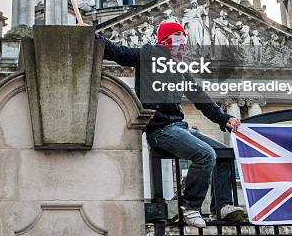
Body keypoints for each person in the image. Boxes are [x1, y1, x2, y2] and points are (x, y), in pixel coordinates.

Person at [97, 21, 245, 228]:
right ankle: (190, 207)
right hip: (159, 130)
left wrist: (223, 118)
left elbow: (199, 97)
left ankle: (222, 205)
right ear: (165, 41)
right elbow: (117, 52)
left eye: (184, 40)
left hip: (178, 126)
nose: (183, 45)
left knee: (224, 154)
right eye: (178, 39)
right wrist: (93, 36)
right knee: (205, 154)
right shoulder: (147, 55)